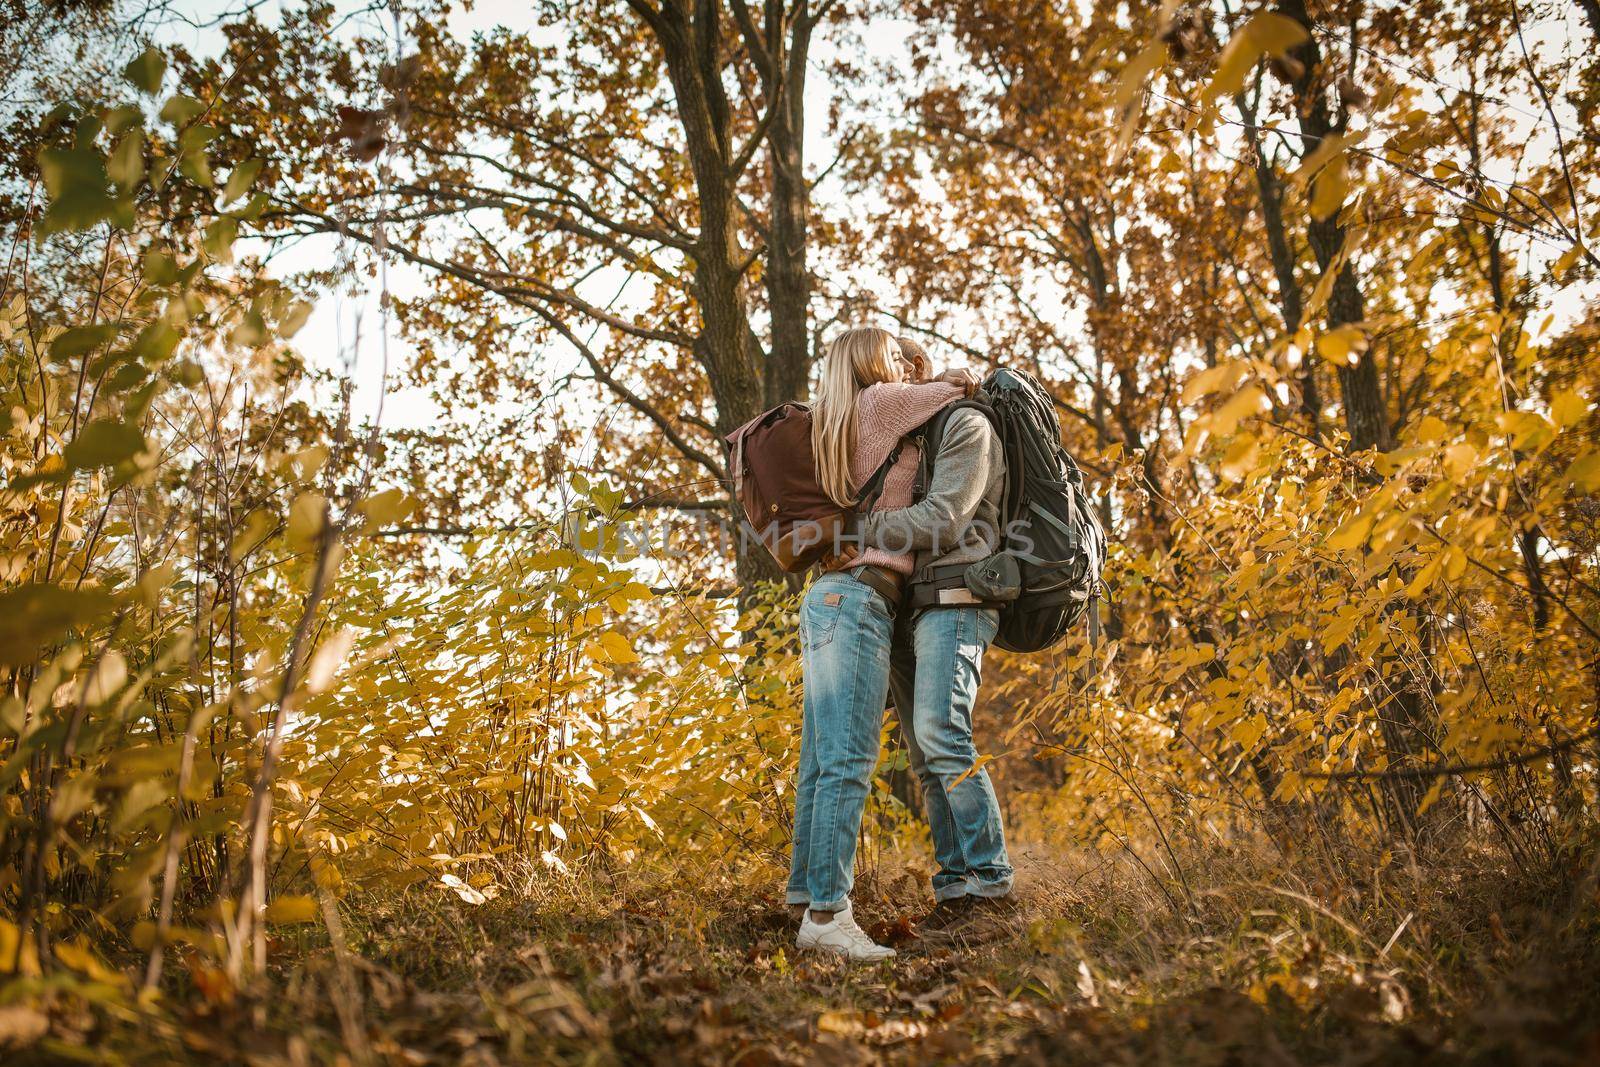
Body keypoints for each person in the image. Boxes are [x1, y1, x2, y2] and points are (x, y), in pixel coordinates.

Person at [785, 326, 977, 961]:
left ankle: (805, 902)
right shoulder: (884, 402)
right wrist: (934, 372)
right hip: (863, 596)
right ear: (873, 363)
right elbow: (955, 387)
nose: (904, 362)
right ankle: (828, 915)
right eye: (894, 353)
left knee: (819, 763)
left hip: (827, 599)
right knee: (847, 761)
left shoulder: (834, 419)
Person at [860, 348, 1016, 938]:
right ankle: (956, 890)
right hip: (909, 606)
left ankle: (992, 885)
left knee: (942, 733)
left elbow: (944, 520)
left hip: (957, 596)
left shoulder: (966, 424)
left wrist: (854, 530)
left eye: (890, 382)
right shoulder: (903, 443)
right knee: (927, 758)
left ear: (914, 377)